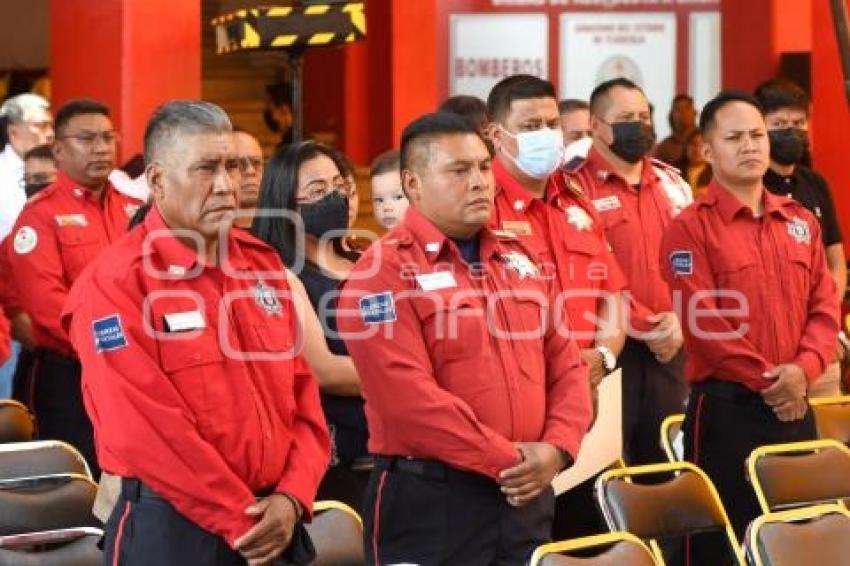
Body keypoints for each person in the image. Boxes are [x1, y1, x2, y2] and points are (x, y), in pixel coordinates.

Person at [62, 100, 330, 566]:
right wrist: (242, 521)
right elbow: (143, 431)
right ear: (159, 181)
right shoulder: (116, 282)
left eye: (234, 165)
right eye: (207, 168)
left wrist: (293, 496)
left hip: (276, 525)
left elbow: (302, 394)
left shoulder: (260, 264)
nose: (227, 184)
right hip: (178, 532)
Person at [337, 112, 592, 565]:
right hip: (434, 502)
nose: (479, 181)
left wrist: (558, 448)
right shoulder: (382, 273)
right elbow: (408, 401)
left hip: (525, 498)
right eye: (459, 171)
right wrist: (510, 461)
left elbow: (567, 364)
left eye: (481, 166)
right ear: (413, 185)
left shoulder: (519, 257)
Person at [660, 91, 839, 565]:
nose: (750, 146)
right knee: (721, 545)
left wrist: (802, 372)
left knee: (800, 534)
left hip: (796, 404)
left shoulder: (799, 221)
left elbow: (824, 306)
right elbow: (704, 325)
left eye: (757, 135)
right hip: (727, 412)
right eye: (734, 137)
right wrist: (773, 383)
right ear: (707, 150)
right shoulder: (690, 228)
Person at [487, 74, 625, 539]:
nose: (545, 134)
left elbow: (615, 295)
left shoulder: (578, 199)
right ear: (496, 134)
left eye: (551, 123)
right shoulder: (481, 206)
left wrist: (602, 357)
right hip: (522, 413)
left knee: (590, 542)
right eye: (530, 125)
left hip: (591, 400)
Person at [7, 99, 142, 476]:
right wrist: (119, 343)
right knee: (77, 479)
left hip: (136, 374)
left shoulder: (136, 209)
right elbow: (49, 308)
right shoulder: (40, 216)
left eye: (106, 138)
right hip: (72, 375)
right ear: (59, 149)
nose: (100, 147)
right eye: (86, 139)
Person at [565, 78, 693, 466]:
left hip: (669, 347)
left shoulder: (672, 183)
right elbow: (591, 269)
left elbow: (694, 264)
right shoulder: (571, 185)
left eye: (643, 116)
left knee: (665, 463)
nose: (638, 125)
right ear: (596, 126)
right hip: (607, 350)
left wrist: (681, 320)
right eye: (625, 118)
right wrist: (642, 323)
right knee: (604, 468)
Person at [252, 140, 368, 512]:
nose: (334, 198)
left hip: (400, 443)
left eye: (338, 185)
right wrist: (411, 377)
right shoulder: (282, 274)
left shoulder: (367, 258)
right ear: (285, 205)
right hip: (341, 455)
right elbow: (324, 370)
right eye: (317, 191)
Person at [755, 79, 846, 397]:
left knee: (826, 443)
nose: (790, 131)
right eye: (779, 124)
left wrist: (826, 321)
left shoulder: (816, 184)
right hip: (770, 351)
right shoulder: (750, 185)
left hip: (821, 347)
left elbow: (836, 261)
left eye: (798, 123)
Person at [0, 93, 53, 238]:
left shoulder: (64, 168)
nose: (50, 133)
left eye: (50, 125)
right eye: (40, 126)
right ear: (13, 132)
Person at [231, 129, 265, 230]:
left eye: (256, 163)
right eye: (239, 164)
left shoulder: (284, 231)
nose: (250, 171)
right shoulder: (209, 237)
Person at [654, 94, 697, 166]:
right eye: (678, 109)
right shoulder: (664, 148)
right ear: (671, 115)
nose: (683, 113)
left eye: (687, 108)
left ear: (695, 113)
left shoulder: (706, 141)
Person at [369, 149, 408, 230]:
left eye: (398, 197)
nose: (387, 207)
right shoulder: (380, 242)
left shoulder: (433, 240)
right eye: (379, 200)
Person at [677, 130, 712, 199]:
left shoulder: (716, 173)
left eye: (701, 145)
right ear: (686, 147)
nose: (697, 149)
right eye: (694, 144)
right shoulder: (675, 171)